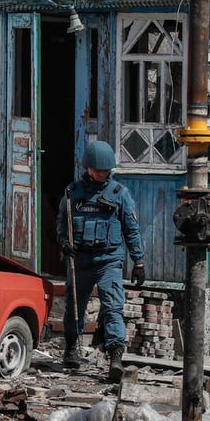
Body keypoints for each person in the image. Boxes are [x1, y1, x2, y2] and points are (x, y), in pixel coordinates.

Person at [56, 140, 145, 383]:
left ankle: (115, 355)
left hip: (109, 260)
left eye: (105, 171)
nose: (101, 174)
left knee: (113, 307)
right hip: (81, 259)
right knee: (75, 305)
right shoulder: (72, 193)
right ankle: (71, 348)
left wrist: (139, 263)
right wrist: (64, 242)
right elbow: (62, 223)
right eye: (97, 170)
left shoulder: (120, 194)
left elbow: (132, 230)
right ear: (87, 168)